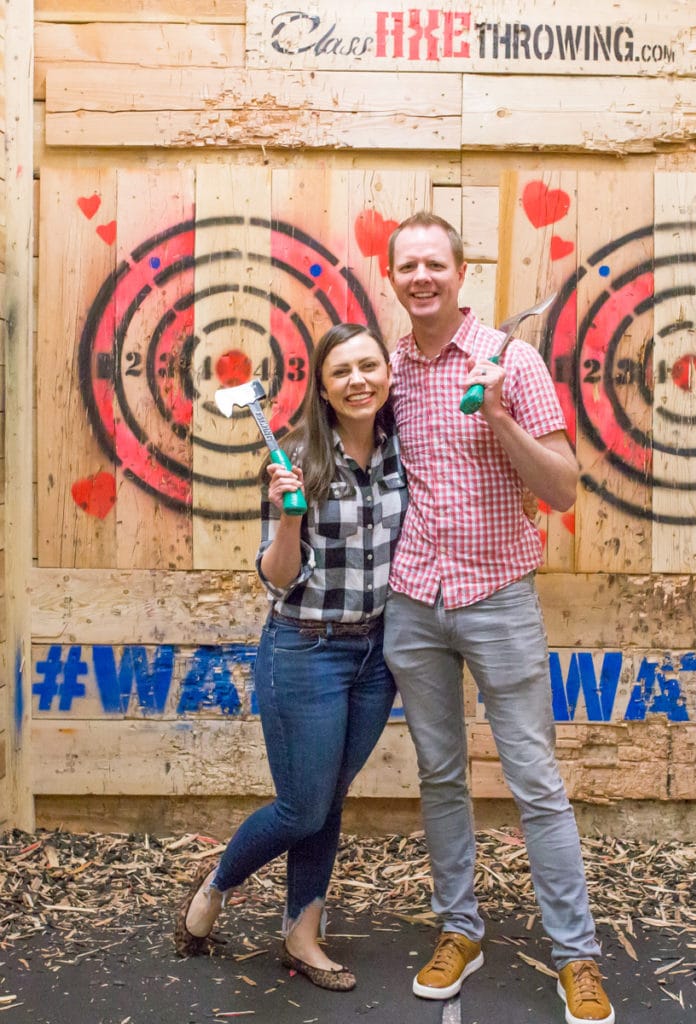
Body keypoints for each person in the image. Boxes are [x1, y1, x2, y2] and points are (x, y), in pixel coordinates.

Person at [383, 212, 614, 1024]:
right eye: (406, 265)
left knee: (535, 783)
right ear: (392, 277)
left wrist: (497, 416)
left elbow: (561, 487)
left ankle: (575, 954)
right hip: (413, 601)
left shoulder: (513, 361)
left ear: (459, 272)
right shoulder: (388, 373)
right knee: (441, 777)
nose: (421, 277)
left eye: (433, 264)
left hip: (499, 597)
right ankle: (459, 930)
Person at [173, 322, 407, 992]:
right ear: (324, 388)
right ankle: (219, 882)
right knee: (302, 806)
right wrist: (287, 516)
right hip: (305, 650)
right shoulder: (296, 458)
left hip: (377, 656)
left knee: (327, 800)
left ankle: (302, 932)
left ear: (385, 375)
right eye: (342, 372)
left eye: (369, 367)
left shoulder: (403, 453)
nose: (358, 380)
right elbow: (277, 579)